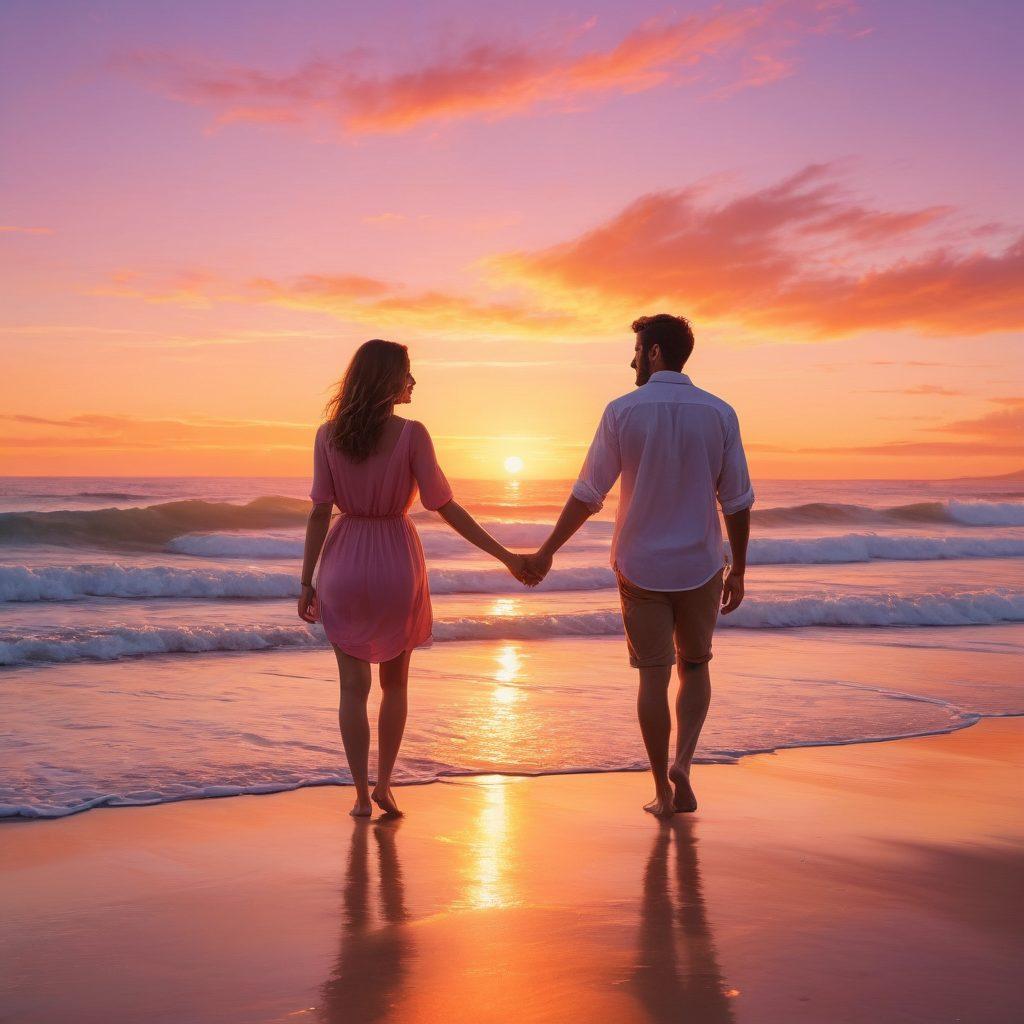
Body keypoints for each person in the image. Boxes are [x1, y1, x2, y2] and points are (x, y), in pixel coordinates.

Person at [524, 314, 754, 818]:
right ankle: (685, 764)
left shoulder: (622, 411)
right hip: (700, 563)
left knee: (653, 676)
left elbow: (588, 495)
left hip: (640, 565)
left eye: (636, 350)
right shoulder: (719, 413)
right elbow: (737, 500)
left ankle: (663, 792)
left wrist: (547, 550)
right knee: (695, 666)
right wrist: (737, 568)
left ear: (653, 352)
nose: (631, 360)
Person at [298, 339, 531, 818]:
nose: (413, 381)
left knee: (351, 689)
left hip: (343, 563)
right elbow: (444, 505)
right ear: (388, 379)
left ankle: (361, 796)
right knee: (395, 686)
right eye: (408, 372)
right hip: (396, 564)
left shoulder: (327, 434)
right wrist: (505, 555)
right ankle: (385, 784)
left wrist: (307, 581)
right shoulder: (412, 434)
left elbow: (321, 510)